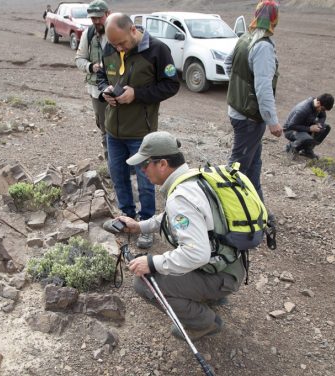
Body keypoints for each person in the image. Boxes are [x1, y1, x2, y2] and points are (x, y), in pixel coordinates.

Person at [112, 131, 246, 340]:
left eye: (145, 165)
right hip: (231, 262)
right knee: (175, 258)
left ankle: (204, 323)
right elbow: (171, 218)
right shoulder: (194, 179)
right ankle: (209, 295)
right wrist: (139, 227)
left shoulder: (181, 197)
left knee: (144, 282)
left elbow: (197, 254)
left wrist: (152, 263)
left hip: (221, 274)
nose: (142, 170)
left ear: (163, 164)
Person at [97, 13, 180, 249]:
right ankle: (125, 218)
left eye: (121, 43)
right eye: (114, 45)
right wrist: (105, 90)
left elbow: (171, 85)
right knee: (118, 175)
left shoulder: (157, 50)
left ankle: (145, 224)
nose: (118, 48)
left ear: (133, 30)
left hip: (141, 132)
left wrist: (137, 94)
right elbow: (101, 74)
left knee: (146, 180)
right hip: (113, 128)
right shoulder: (110, 46)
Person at [225, 0, 281, 204]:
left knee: (253, 165)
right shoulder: (263, 46)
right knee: (237, 167)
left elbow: (228, 63)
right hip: (249, 118)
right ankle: (225, 207)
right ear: (275, 19)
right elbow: (263, 88)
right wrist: (272, 121)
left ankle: (258, 209)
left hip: (237, 110)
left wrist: (239, 89)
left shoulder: (245, 37)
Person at [75, 0, 111, 157]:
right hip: (97, 90)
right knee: (105, 127)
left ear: (107, 14)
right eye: (93, 18)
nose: (96, 21)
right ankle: (111, 163)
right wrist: (91, 67)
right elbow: (79, 59)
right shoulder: (87, 34)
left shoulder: (117, 31)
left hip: (120, 87)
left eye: (99, 17)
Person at [283, 94, 334, 159]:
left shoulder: (318, 105)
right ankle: (291, 147)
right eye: (323, 109)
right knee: (307, 139)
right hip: (290, 130)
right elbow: (291, 125)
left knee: (325, 128)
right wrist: (310, 129)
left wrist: (319, 123)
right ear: (318, 102)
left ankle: (307, 150)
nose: (322, 111)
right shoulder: (303, 109)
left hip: (304, 126)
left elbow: (323, 116)